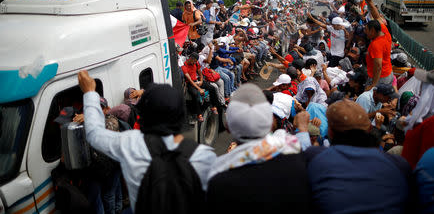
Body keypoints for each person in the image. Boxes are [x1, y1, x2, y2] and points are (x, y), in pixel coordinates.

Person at [77, 70, 216, 213]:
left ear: (144, 115)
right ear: (180, 114)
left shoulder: (131, 144)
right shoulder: (204, 156)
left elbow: (94, 134)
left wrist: (89, 93)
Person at [206, 84, 312, 214]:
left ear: (228, 127)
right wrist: (302, 129)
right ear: (270, 121)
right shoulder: (293, 150)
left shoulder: (216, 176)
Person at [305, 100, 415, 214]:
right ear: (368, 129)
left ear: (331, 132)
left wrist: (304, 131)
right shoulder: (399, 165)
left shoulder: (314, 157)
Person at [365, 20, 393, 90]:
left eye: (366, 30)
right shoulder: (386, 33)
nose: (365, 32)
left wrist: (373, 85)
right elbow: (377, 16)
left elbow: (378, 66)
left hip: (380, 78)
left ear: (372, 30)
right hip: (388, 74)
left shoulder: (376, 45)